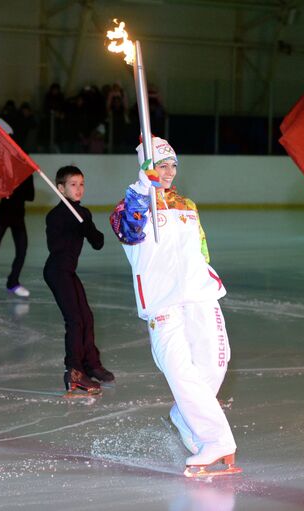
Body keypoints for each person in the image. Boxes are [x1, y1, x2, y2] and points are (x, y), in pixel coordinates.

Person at [109, 137, 239, 473]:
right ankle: (215, 438)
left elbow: (201, 248)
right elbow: (130, 231)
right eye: (161, 165)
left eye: (172, 165)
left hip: (200, 294)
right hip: (161, 301)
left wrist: (207, 275)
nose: (167, 171)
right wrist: (141, 188)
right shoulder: (130, 205)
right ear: (147, 168)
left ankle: (184, 415)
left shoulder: (187, 205)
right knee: (179, 371)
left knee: (214, 366)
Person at [44, 165, 113, 394]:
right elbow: (56, 246)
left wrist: (86, 227)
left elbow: (98, 242)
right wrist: (73, 226)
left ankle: (91, 364)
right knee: (75, 320)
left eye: (81, 184)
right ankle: (74, 371)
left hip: (69, 272)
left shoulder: (83, 214)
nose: (79, 188)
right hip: (56, 271)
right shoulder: (55, 216)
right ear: (61, 188)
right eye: (73, 185)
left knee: (87, 317)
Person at [0, 175, 35, 298]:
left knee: (22, 251)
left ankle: (13, 282)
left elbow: (31, 196)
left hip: (18, 218)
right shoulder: (6, 173)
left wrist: (16, 189)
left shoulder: (27, 175)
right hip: (2, 216)